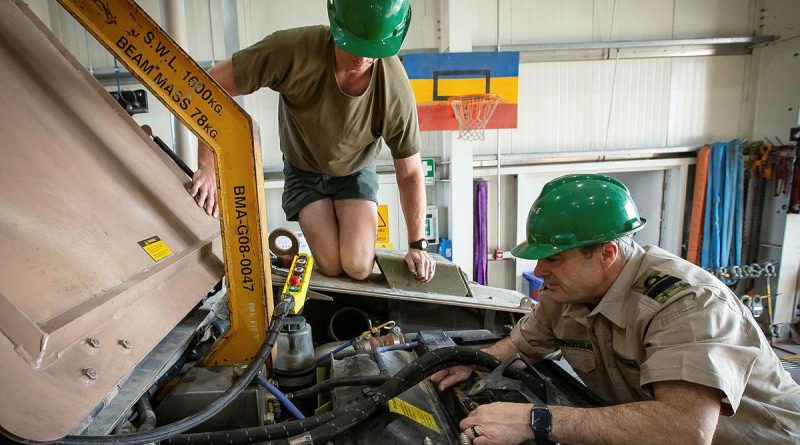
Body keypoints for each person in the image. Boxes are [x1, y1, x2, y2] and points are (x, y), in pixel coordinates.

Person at [431, 174, 800, 445]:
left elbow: (686, 428)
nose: (541, 272)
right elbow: (519, 345)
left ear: (607, 253)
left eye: (554, 259)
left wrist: (536, 420)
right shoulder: (565, 295)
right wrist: (473, 361)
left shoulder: (687, 304)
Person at [190, 0, 436, 283]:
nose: (361, 57)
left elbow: (411, 173)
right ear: (337, 24)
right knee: (331, 265)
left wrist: (418, 245)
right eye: (353, 44)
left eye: (372, 50)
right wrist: (208, 166)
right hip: (304, 169)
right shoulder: (292, 51)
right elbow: (208, 85)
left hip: (355, 171)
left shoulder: (394, 88)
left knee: (357, 266)